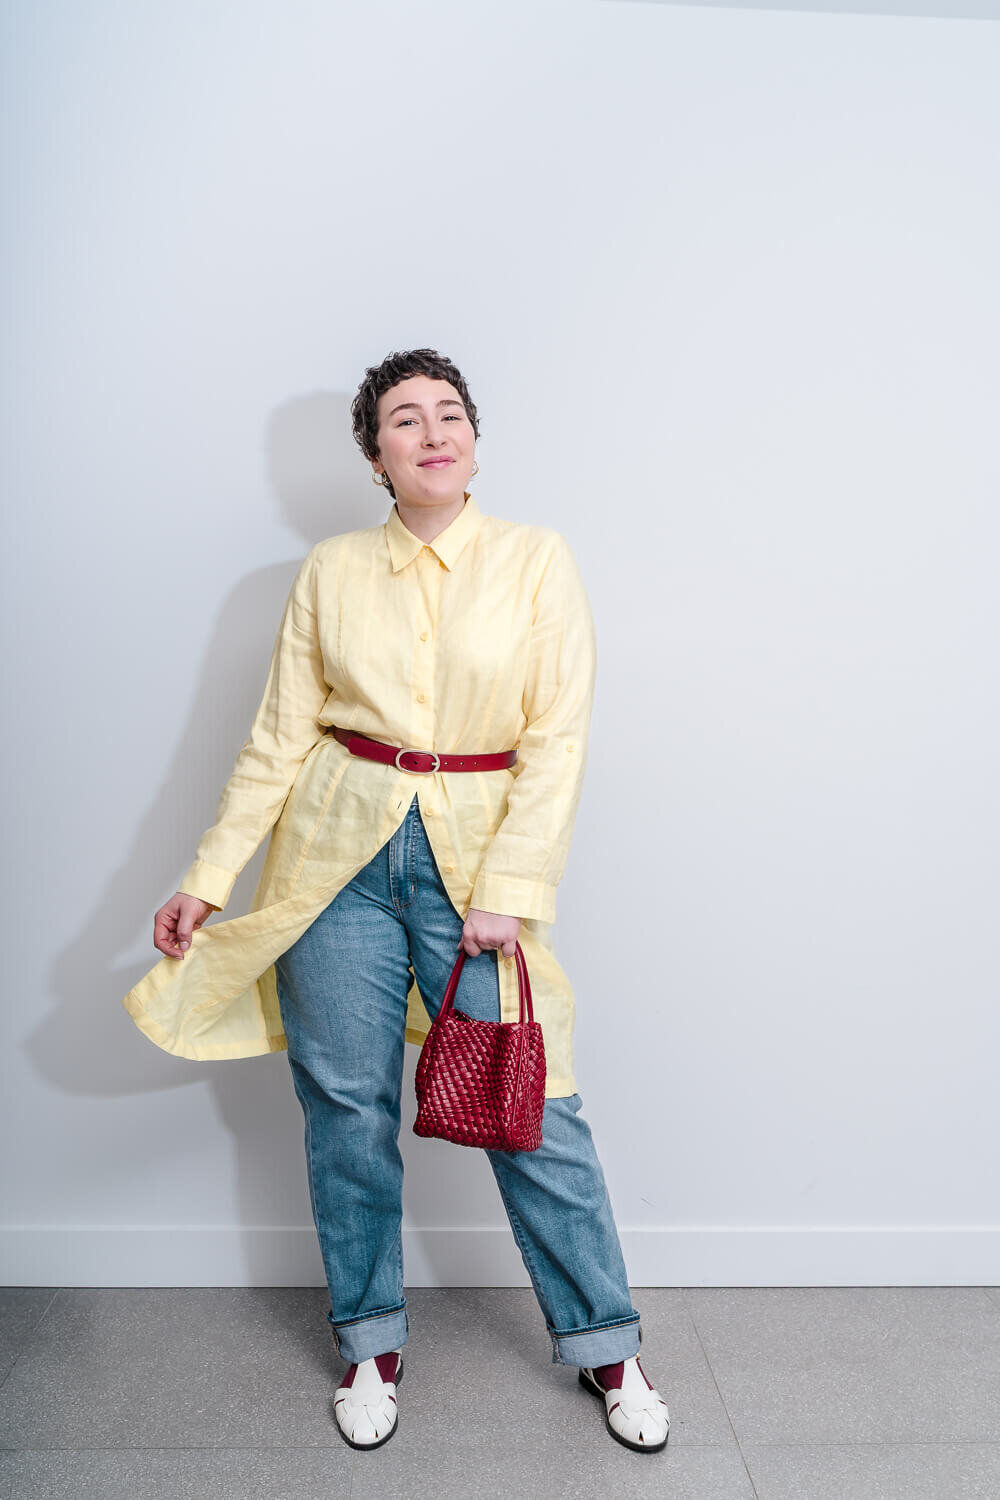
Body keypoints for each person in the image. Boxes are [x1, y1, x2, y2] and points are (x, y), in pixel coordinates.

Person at [127, 348, 669, 1454]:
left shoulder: (533, 560)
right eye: (405, 420)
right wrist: (207, 877)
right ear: (375, 455)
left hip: (477, 867)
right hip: (334, 860)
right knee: (344, 1105)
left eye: (450, 414)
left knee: (531, 1102)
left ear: (475, 436)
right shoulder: (331, 570)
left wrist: (510, 891)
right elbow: (279, 737)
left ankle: (607, 1346)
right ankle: (370, 1341)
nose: (432, 433)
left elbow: (557, 741)